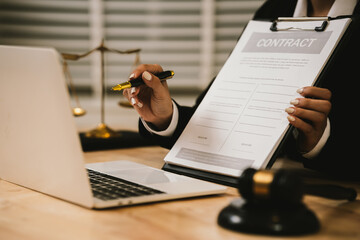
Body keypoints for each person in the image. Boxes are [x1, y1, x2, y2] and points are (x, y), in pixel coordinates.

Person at [123, 0, 360, 180]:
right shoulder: (273, 10)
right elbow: (219, 121)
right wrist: (165, 117)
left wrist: (322, 141)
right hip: (247, 187)